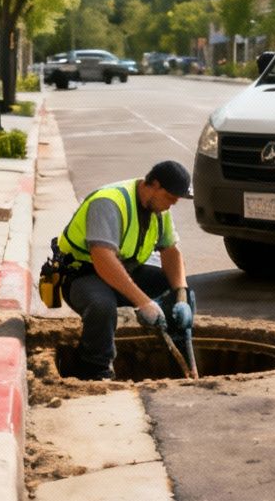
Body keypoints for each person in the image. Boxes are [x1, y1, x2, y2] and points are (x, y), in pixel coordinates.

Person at [54, 160, 196, 381]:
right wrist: (144, 302)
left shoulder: (159, 209)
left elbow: (170, 251)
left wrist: (181, 295)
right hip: (82, 274)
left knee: (177, 293)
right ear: (155, 185)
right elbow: (103, 260)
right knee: (102, 305)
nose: (171, 205)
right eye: (170, 198)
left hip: (123, 270)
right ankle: (94, 369)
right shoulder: (108, 202)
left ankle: (179, 361)